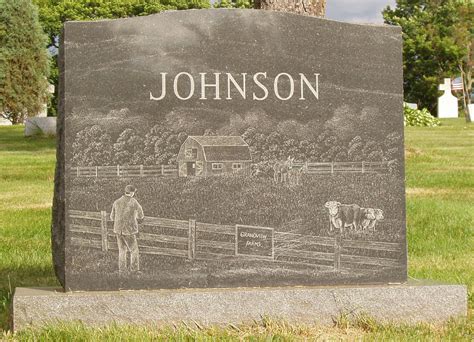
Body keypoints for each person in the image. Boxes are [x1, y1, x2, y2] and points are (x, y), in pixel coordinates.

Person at [110, 185, 144, 273]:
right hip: (129, 230)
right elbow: (141, 215)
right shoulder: (133, 201)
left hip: (118, 230)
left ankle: (122, 270)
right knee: (134, 250)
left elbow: (112, 217)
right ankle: (134, 270)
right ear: (132, 193)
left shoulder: (116, 202)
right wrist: (137, 218)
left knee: (122, 250)